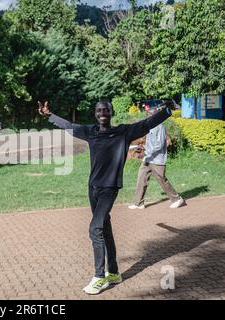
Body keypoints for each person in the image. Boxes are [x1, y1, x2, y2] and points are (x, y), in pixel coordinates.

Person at [38, 99, 175, 295]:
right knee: (105, 227)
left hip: (109, 188)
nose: (102, 113)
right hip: (92, 188)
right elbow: (68, 126)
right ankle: (114, 273)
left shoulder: (123, 132)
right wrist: (49, 115)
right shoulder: (90, 131)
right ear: (96, 113)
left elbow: (147, 124)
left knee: (95, 228)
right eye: (99, 110)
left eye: (106, 110)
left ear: (111, 113)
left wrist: (167, 110)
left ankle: (99, 276)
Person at [128, 106, 186, 210]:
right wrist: (141, 147)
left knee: (161, 179)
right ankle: (138, 203)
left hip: (157, 159)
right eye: (147, 115)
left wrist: (147, 152)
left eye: (150, 115)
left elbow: (159, 144)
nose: (148, 117)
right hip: (148, 158)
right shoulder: (149, 126)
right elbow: (150, 143)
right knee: (141, 177)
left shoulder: (159, 127)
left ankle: (177, 199)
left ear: (155, 115)